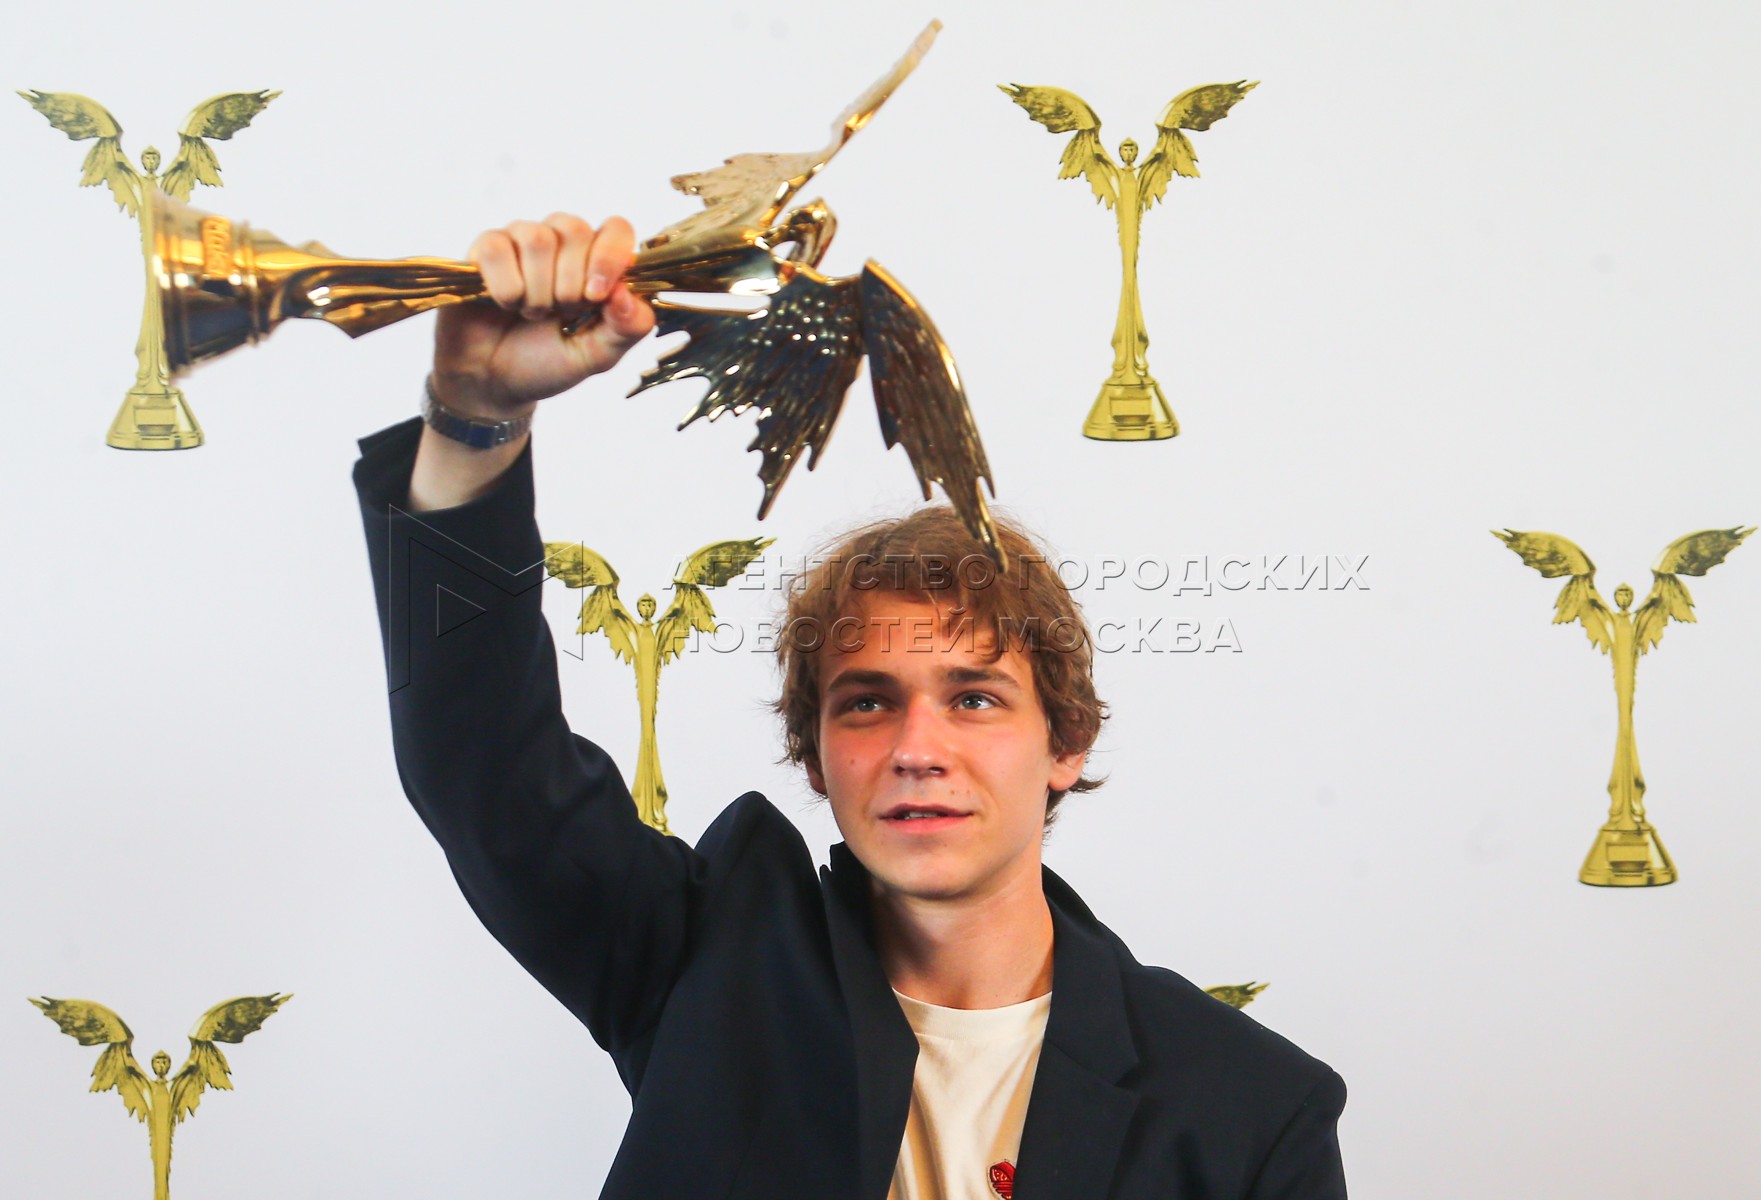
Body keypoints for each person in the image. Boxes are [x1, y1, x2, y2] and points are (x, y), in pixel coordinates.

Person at [353, 212, 1348, 1199]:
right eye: (868, 704)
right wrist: (474, 418)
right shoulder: (704, 963)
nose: (918, 747)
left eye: (974, 698)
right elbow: (486, 769)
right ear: (815, 754)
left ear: (1066, 743)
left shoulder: (1249, 1107)